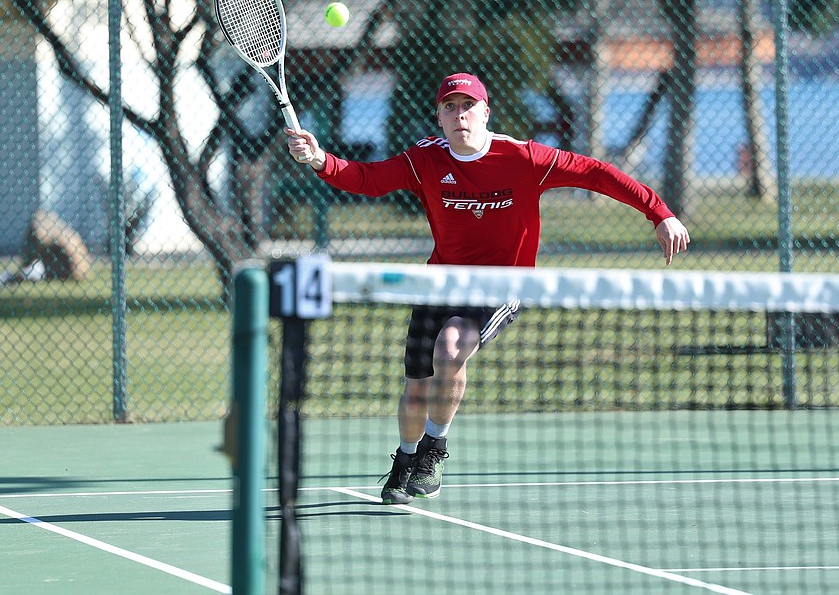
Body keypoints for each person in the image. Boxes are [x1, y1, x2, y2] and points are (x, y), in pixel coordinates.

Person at [285, 72, 690, 504]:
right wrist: (318, 159)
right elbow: (366, 178)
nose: (460, 115)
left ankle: (433, 452)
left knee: (450, 347)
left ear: (485, 113)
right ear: (439, 118)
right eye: (449, 107)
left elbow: (598, 173)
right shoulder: (424, 160)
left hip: (501, 284)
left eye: (468, 106)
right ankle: (406, 459)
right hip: (439, 283)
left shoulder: (524, 158)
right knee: (417, 388)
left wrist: (659, 212)